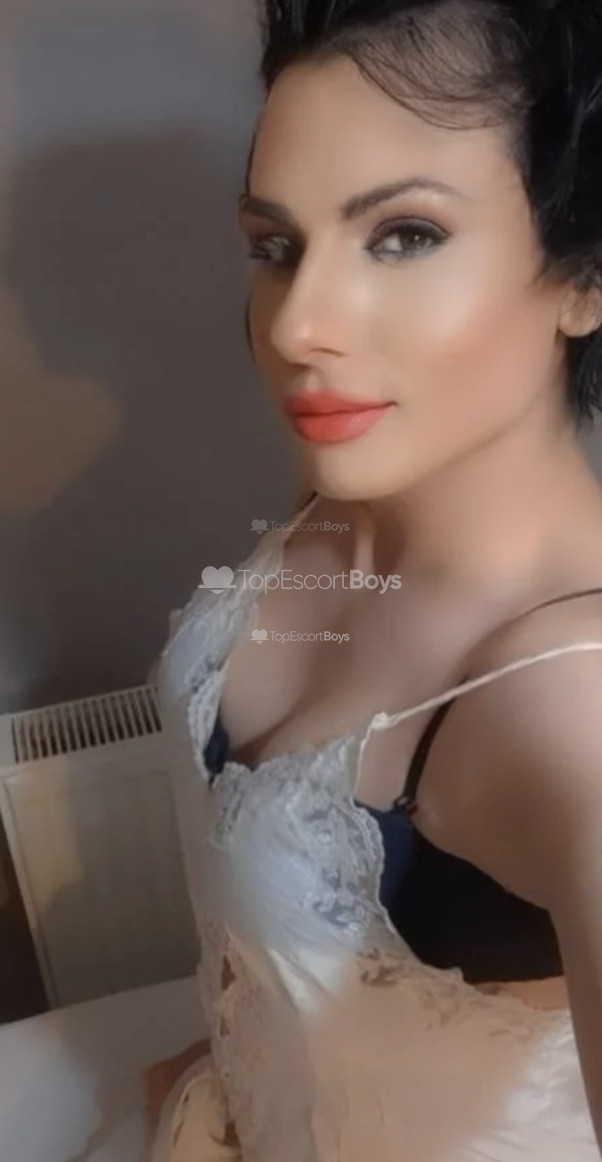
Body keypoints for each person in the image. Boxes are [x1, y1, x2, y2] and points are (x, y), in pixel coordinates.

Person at [148, 1, 602, 1157]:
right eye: (274, 246)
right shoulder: (353, 486)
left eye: (401, 235)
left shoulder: (572, 698)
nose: (295, 326)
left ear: (581, 273)